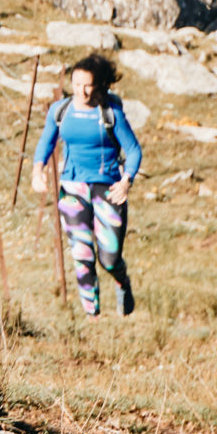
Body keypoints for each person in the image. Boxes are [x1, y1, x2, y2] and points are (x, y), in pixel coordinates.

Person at [31, 54, 143, 317]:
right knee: (82, 255)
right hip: (72, 188)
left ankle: (121, 282)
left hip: (108, 188)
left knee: (109, 257)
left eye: (88, 84)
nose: (81, 90)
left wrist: (127, 181)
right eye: (76, 83)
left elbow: (133, 150)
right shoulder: (60, 111)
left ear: (99, 85)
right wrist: (38, 171)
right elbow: (46, 143)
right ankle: (92, 316)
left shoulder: (110, 113)